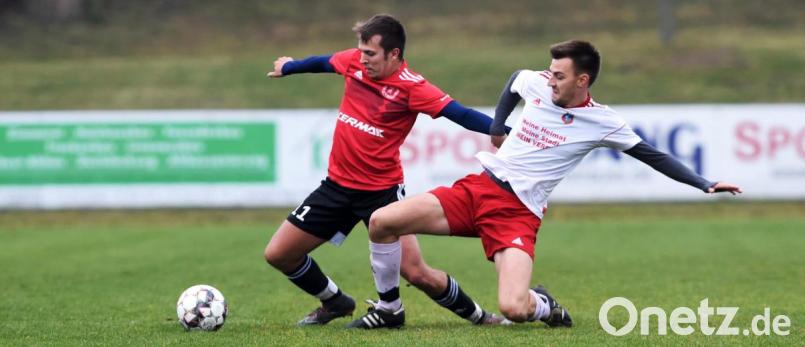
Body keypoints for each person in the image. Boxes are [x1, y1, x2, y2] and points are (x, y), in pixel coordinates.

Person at [348, 40, 743, 329]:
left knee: (515, 309)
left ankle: (546, 305)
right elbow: (514, 81)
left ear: (582, 80)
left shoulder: (604, 121)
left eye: (559, 75)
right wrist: (499, 126)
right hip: (478, 190)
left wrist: (704, 183)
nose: (549, 79)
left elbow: (652, 154)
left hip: (517, 214)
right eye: (550, 71)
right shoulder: (537, 82)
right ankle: (389, 310)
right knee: (383, 222)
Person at [263, 14, 509, 327]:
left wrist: (507, 133)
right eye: (361, 51)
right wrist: (290, 67)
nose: (361, 59)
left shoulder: (413, 87)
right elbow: (325, 62)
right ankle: (335, 301)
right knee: (279, 254)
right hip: (336, 187)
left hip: (381, 193)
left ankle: (482, 318)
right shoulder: (354, 62)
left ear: (394, 54)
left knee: (416, 272)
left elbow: (460, 114)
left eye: (370, 54)